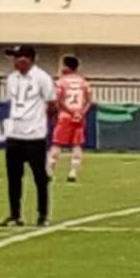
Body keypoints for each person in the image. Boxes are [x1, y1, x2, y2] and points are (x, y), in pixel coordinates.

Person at [0, 45, 56, 227]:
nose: (15, 61)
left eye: (18, 58)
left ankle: (43, 215)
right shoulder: (11, 79)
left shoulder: (42, 78)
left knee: (40, 177)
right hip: (14, 134)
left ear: (29, 59)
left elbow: (52, 103)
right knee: (14, 177)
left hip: (35, 136)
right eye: (14, 58)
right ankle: (15, 214)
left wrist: (38, 120)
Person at [46, 55, 92, 183]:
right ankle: (73, 172)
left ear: (67, 67)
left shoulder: (61, 82)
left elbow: (57, 100)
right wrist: (81, 113)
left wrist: (68, 111)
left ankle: (49, 172)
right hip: (79, 117)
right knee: (77, 145)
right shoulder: (84, 82)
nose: (61, 68)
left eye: (63, 65)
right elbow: (89, 101)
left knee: (56, 144)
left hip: (65, 117)